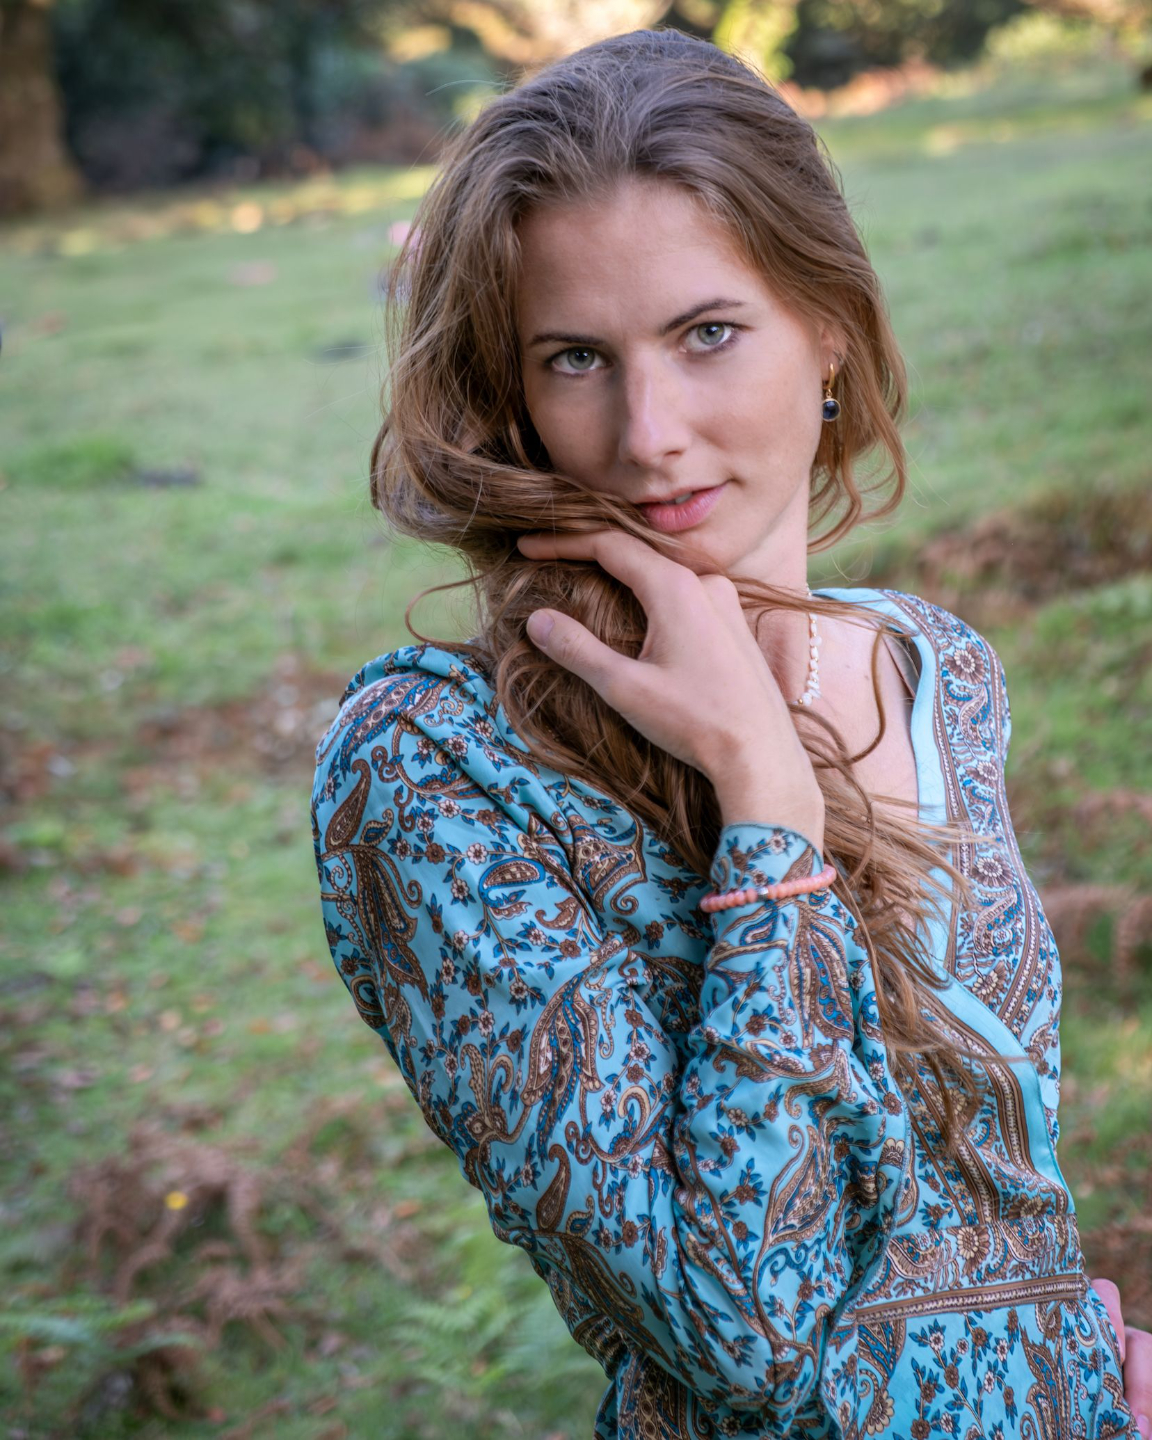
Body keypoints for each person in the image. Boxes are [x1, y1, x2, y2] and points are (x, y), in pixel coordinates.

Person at [310, 27, 1150, 1438]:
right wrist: (767, 806)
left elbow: (995, 1187)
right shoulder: (438, 762)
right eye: (577, 357)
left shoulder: (937, 669)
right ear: (513, 394)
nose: (649, 433)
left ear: (828, 328)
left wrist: (1072, 1345)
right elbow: (737, 1330)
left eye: (708, 333)